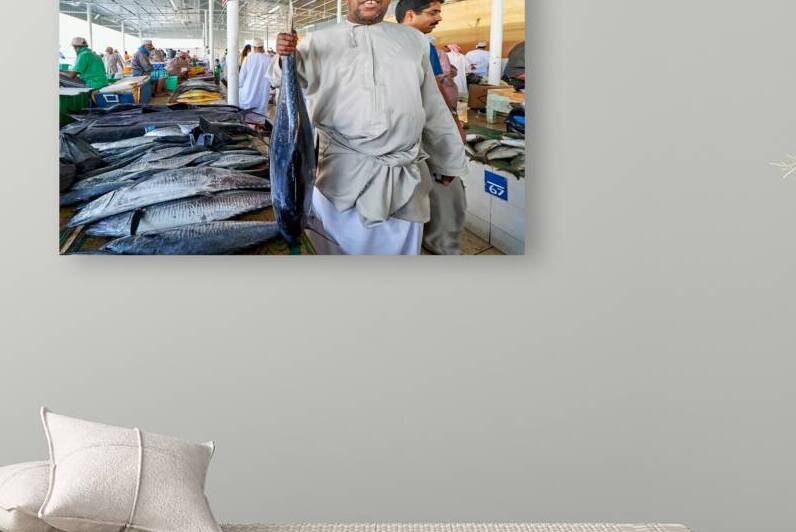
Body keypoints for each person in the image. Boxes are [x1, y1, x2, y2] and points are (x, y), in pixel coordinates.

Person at [271, 0, 467, 255]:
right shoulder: (316, 41)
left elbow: (431, 104)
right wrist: (283, 56)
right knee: (335, 257)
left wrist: (447, 159)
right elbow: (279, 79)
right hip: (339, 178)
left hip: (403, 178)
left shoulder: (414, 41)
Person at [397, 0, 468, 255]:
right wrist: (454, 126)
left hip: (414, 138)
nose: (438, 18)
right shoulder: (421, 46)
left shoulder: (409, 45)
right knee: (446, 198)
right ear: (409, 15)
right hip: (426, 137)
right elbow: (438, 94)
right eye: (433, 12)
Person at [238, 38, 272, 118]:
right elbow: (273, 80)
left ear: (253, 47)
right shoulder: (269, 60)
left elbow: (241, 80)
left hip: (247, 97)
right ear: (262, 47)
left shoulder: (248, 59)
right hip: (261, 98)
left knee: (246, 120)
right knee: (258, 122)